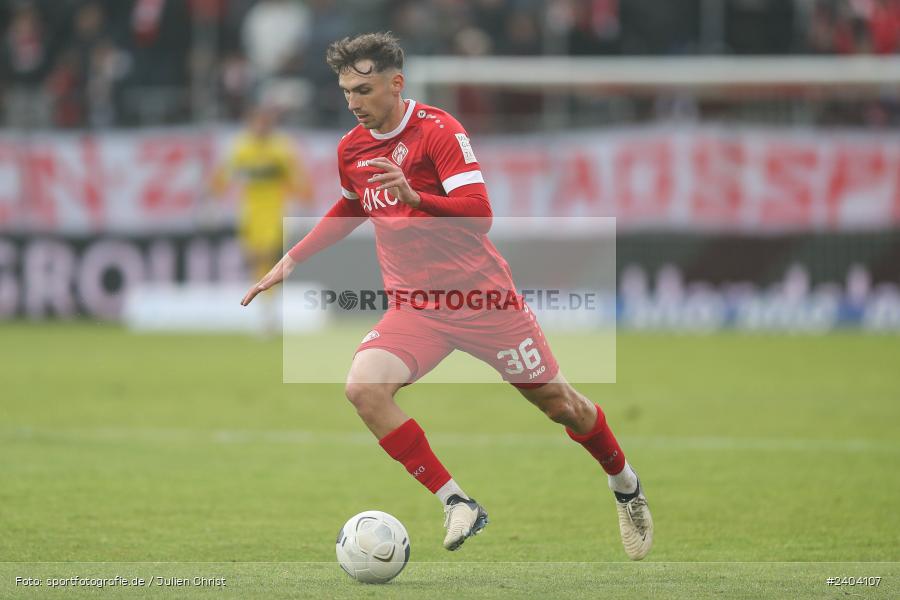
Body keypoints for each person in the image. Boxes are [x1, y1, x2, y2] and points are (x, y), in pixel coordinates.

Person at [240, 32, 652, 559]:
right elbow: (351, 206)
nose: (353, 102)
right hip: (415, 307)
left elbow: (481, 215)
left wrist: (417, 197)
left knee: (562, 405)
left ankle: (625, 484)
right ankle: (457, 501)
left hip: (482, 302)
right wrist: (293, 258)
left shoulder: (439, 131)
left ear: (396, 83)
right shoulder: (352, 149)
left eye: (363, 90)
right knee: (364, 389)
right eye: (346, 91)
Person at [214, 105, 312, 332]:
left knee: (265, 257)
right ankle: (266, 309)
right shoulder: (241, 147)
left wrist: (305, 202)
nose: (259, 126)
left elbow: (298, 178)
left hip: (274, 212)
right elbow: (222, 176)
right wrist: (213, 203)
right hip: (248, 213)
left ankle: (268, 314)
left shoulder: (281, 149)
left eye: (263, 121)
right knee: (253, 259)